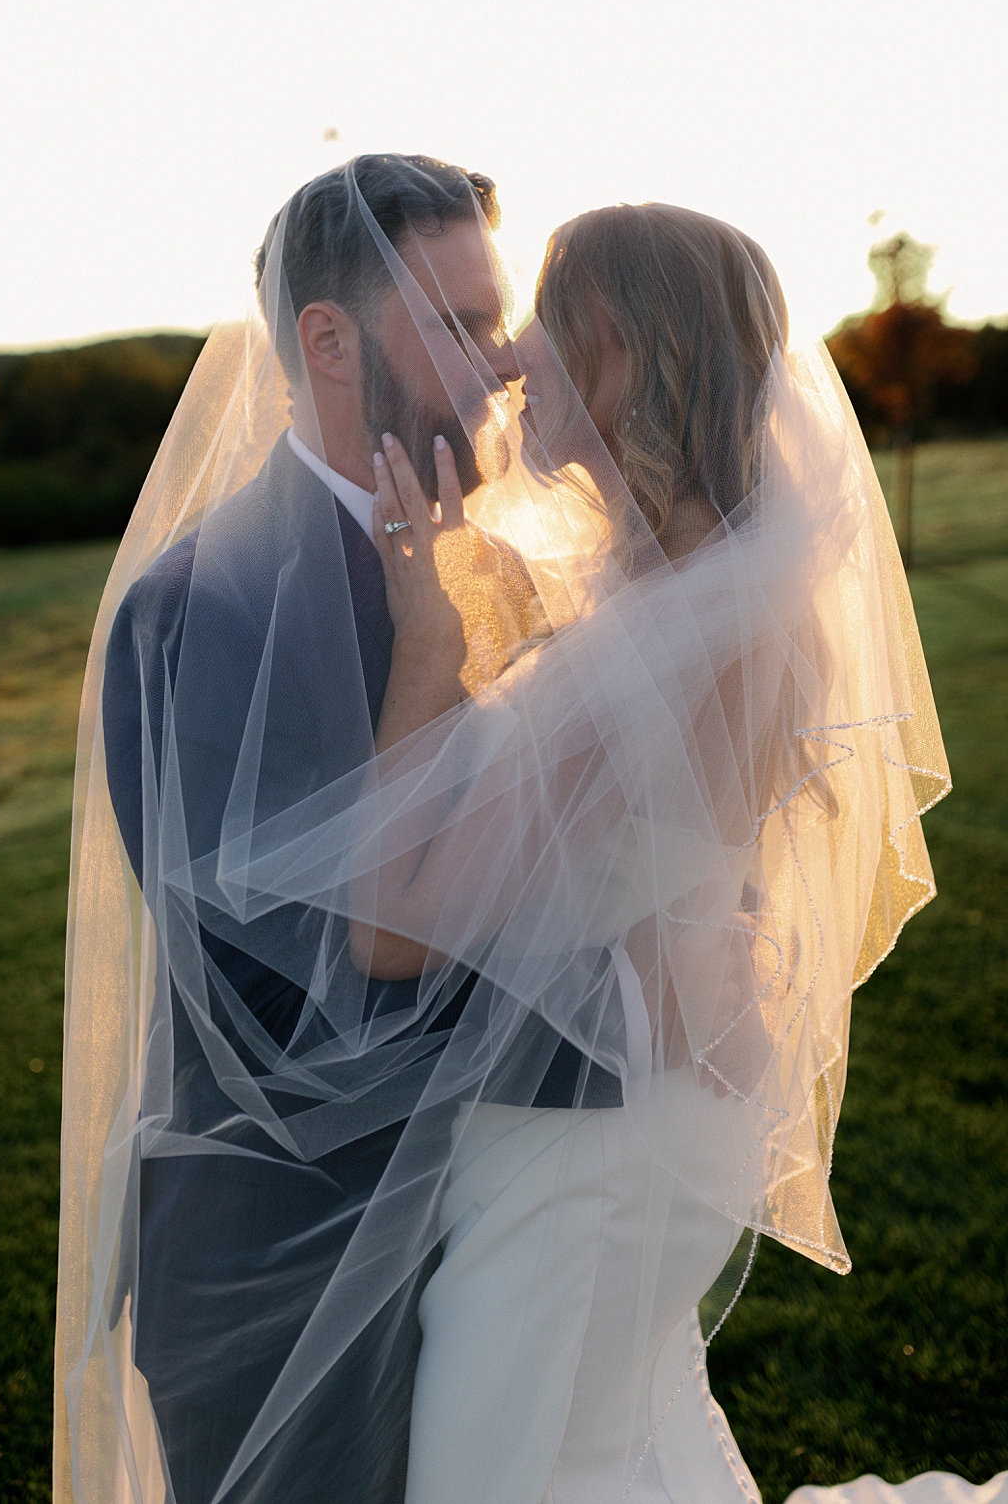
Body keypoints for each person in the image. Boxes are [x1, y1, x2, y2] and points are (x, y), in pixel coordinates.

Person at [337, 203, 952, 1503]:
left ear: (612, 345)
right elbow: (693, 842)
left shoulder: (657, 638)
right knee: (623, 1443)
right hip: (666, 1105)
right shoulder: (726, 587)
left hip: (594, 1148)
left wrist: (426, 645)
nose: (513, 359)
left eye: (540, 325)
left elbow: (391, 930)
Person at [56, 155, 620, 1504]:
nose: (503, 367)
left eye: (498, 324)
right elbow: (281, 1012)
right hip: (281, 1280)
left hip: (498, 1246)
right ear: (328, 340)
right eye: (460, 328)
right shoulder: (201, 607)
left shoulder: (495, 565)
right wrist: (625, 1018)